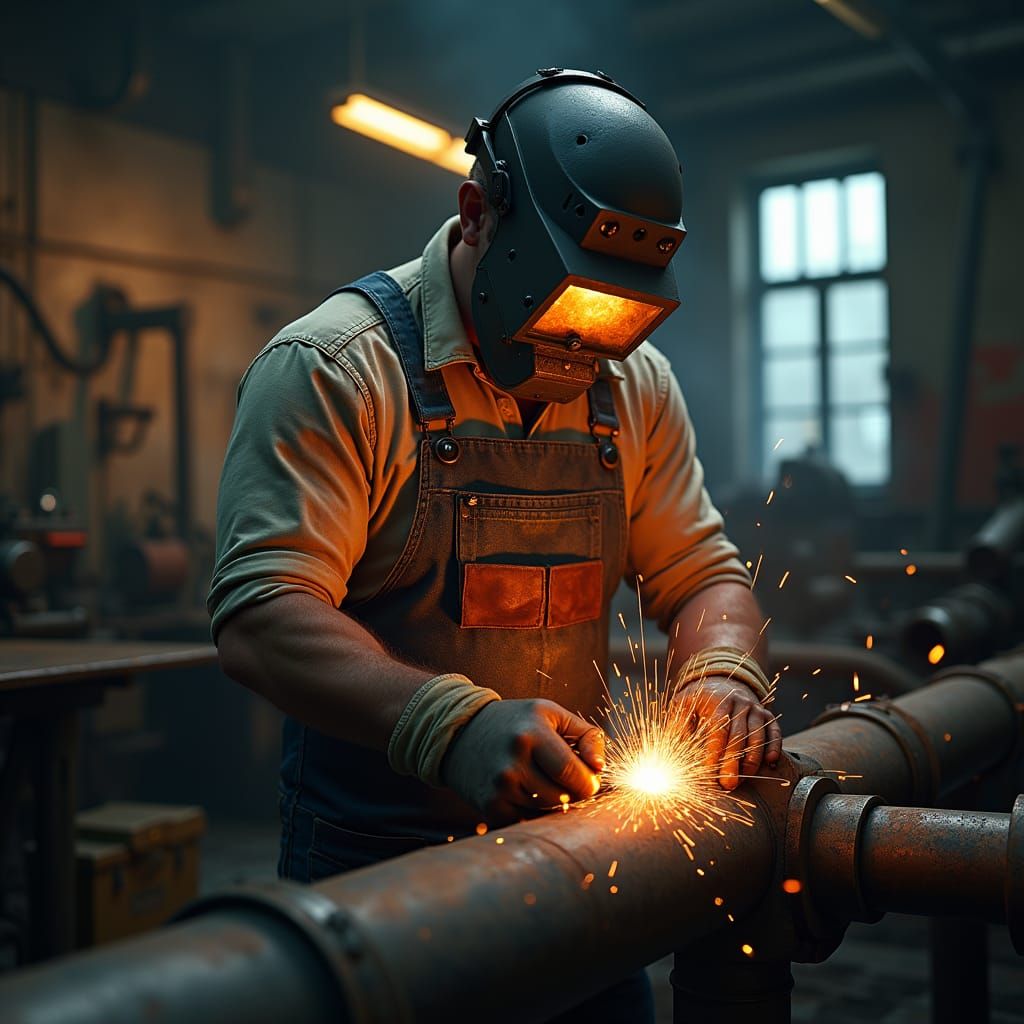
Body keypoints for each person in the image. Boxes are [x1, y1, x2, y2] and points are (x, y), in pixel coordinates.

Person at [209, 68, 781, 1023]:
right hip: (378, 875)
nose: (581, 349)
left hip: (578, 855)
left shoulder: (633, 385)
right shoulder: (335, 369)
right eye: (565, 305)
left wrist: (723, 673)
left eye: (613, 320)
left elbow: (705, 576)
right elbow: (262, 618)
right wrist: (451, 724)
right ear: (478, 215)